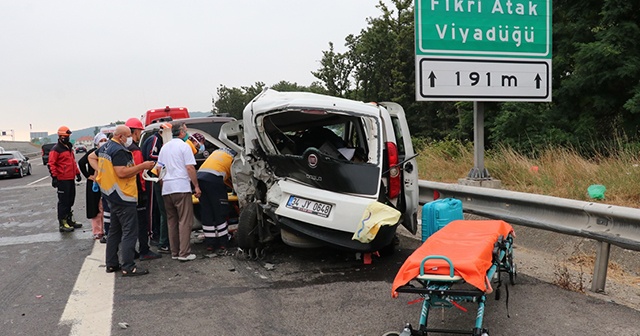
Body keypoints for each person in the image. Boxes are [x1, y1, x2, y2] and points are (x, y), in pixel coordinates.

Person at [89, 125, 156, 276]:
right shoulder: (119, 150)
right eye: (128, 135)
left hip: (110, 194)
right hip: (123, 195)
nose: (130, 138)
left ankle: (111, 263)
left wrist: (101, 172)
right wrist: (142, 166)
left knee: (114, 230)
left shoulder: (105, 147)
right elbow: (121, 172)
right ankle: (128, 266)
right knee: (129, 232)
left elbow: (91, 157)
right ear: (120, 137)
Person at [157, 122, 201, 262]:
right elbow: (190, 168)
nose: (187, 133)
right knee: (184, 221)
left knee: (172, 221)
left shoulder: (165, 148)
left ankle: (174, 251)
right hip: (181, 187)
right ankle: (184, 253)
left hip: (167, 189)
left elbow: (159, 169)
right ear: (181, 132)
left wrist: (164, 184)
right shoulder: (185, 146)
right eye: (186, 130)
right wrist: (196, 186)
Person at [125, 117, 162, 261]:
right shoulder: (135, 150)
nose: (140, 134)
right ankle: (144, 250)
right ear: (135, 132)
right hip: (137, 191)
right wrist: (143, 191)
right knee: (142, 222)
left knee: (129, 224)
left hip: (126, 191)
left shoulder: (122, 148)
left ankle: (131, 250)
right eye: (139, 131)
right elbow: (140, 173)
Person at [197, 147, 236, 253]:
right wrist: (236, 189)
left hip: (200, 178)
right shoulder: (234, 159)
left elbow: (224, 176)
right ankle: (224, 242)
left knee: (207, 211)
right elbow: (234, 177)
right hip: (214, 181)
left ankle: (210, 243)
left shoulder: (216, 153)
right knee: (220, 210)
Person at [141, 123, 171, 253]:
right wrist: (165, 157)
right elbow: (151, 155)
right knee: (153, 207)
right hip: (152, 175)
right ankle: (152, 233)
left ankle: (156, 232)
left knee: (158, 209)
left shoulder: (159, 140)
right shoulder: (155, 140)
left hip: (155, 175)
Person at [48, 126, 82, 232]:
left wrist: (77, 173)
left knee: (70, 200)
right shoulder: (56, 149)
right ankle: (62, 223)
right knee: (63, 201)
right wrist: (54, 177)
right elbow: (51, 164)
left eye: (68, 136)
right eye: (65, 136)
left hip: (70, 178)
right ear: (60, 136)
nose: (67, 138)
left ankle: (69, 219)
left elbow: (72, 162)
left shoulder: (68, 148)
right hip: (62, 179)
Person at [78, 133, 108, 239]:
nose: (103, 142)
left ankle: (106, 229)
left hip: (106, 182)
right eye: (101, 140)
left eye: (105, 140)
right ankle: (97, 231)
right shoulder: (92, 153)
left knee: (104, 206)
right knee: (95, 207)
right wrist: (88, 176)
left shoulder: (108, 152)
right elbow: (81, 162)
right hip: (94, 182)